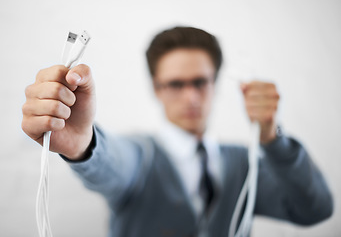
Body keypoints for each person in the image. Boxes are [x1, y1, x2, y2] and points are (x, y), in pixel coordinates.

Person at [22, 26, 333, 237]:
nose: (190, 97)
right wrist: (84, 145)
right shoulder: (141, 155)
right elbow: (115, 163)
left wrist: (271, 139)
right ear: (157, 89)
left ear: (216, 83)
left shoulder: (244, 163)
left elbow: (315, 209)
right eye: (175, 84)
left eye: (200, 82)